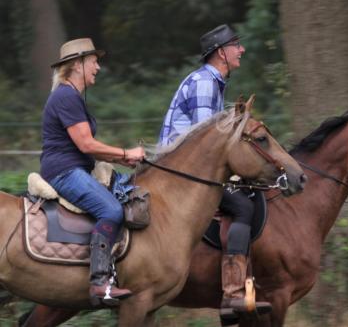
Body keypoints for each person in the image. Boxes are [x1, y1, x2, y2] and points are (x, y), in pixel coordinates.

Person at [158, 25, 272, 319]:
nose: (241, 50)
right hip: (182, 174)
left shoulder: (213, 82)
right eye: (236, 45)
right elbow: (207, 143)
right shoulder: (205, 83)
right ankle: (233, 294)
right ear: (222, 52)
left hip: (192, 167)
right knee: (242, 207)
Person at [40, 38, 145, 306]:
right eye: (94, 61)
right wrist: (126, 154)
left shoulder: (71, 96)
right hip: (64, 171)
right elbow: (86, 144)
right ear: (77, 64)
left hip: (75, 167)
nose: (98, 67)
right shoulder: (65, 96)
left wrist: (124, 159)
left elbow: (89, 148)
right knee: (111, 210)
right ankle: (100, 282)